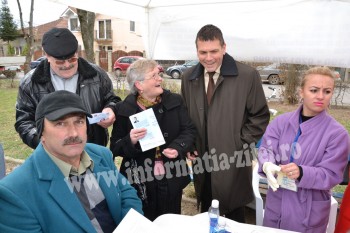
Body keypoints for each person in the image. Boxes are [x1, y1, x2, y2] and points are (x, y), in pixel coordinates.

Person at [0, 90, 142, 232]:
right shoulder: (14, 193)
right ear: (41, 132)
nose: (74, 133)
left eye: (79, 121)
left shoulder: (101, 155)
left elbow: (126, 194)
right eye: (60, 123)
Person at [181, 24, 270, 222]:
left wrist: (239, 142)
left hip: (233, 158)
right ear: (197, 50)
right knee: (207, 211)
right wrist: (190, 144)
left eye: (214, 51)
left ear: (224, 47)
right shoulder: (188, 78)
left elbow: (260, 116)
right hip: (202, 160)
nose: (208, 57)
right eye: (203, 52)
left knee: (233, 212)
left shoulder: (247, 75)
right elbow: (186, 117)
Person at [258, 66, 350, 232]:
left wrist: (302, 172)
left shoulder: (337, 134)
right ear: (301, 92)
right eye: (314, 90)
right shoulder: (281, 123)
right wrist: (267, 164)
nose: (320, 96)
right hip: (277, 203)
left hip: (308, 212)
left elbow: (331, 174)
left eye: (327, 91)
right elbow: (266, 150)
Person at [110, 59, 196, 221]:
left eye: (159, 74)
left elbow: (189, 130)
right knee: (144, 222)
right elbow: (115, 147)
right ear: (139, 85)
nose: (160, 78)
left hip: (171, 175)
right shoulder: (124, 109)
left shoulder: (175, 101)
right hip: (140, 179)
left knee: (171, 222)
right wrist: (131, 140)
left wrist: (178, 147)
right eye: (154, 75)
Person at [15, 27, 120, 149]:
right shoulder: (30, 83)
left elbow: (112, 99)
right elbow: (24, 122)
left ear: (77, 52)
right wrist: (44, 143)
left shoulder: (97, 74)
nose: (67, 65)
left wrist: (110, 108)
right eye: (60, 62)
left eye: (72, 59)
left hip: (93, 149)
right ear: (47, 56)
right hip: (52, 155)